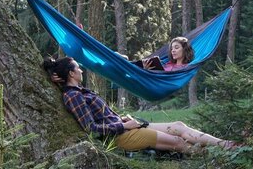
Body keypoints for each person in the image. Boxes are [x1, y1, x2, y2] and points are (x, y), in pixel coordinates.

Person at [43, 56, 238, 153]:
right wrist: (123, 125)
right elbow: (91, 129)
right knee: (178, 143)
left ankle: (226, 145)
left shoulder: (82, 91)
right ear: (71, 73)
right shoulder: (73, 96)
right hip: (120, 137)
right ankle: (215, 157)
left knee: (178, 126)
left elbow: (103, 116)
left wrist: (122, 119)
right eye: (78, 67)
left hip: (126, 127)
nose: (81, 70)